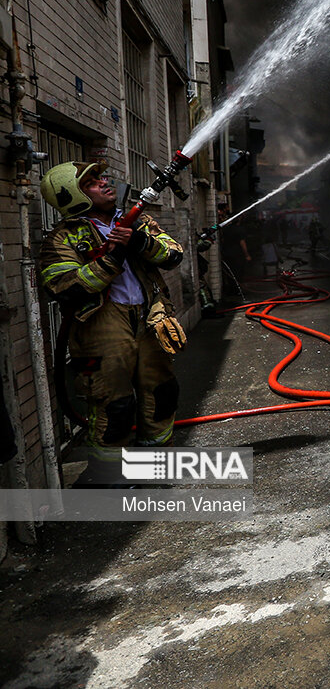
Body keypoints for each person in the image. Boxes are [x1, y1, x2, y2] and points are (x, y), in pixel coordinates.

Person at [39, 161, 186, 484]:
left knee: (161, 394)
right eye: (91, 182)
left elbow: (173, 255)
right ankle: (110, 477)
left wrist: (138, 242)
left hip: (150, 319)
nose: (105, 183)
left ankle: (155, 470)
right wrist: (111, 258)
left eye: (101, 177)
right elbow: (65, 287)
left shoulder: (137, 222)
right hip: (100, 327)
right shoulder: (62, 239)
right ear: (73, 196)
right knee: (113, 404)